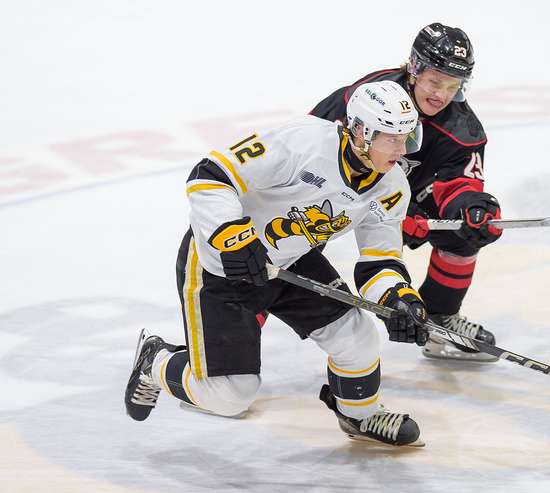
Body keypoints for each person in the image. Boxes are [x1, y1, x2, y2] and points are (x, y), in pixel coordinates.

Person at [124, 80, 429, 447]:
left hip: (291, 261)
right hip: (221, 268)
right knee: (230, 396)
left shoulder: (392, 184)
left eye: (407, 138)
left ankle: (359, 415)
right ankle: (155, 360)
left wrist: (399, 298)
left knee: (356, 335)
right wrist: (232, 237)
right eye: (393, 139)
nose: (403, 149)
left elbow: (379, 259)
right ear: (362, 133)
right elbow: (210, 175)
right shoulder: (304, 142)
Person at [310, 22, 502, 363]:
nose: (441, 94)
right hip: (336, 185)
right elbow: (313, 145)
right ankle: (231, 322)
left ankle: (440, 318)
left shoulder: (463, 130)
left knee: (463, 234)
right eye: (434, 81)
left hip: (405, 195)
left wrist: (473, 209)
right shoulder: (368, 97)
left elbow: (460, 184)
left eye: (452, 85)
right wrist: (392, 213)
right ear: (414, 69)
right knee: (289, 241)